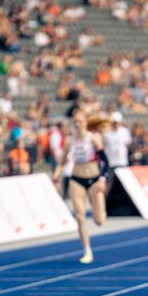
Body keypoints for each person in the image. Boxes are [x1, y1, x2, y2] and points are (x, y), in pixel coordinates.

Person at [53, 113, 109, 264]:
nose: (77, 124)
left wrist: (103, 179)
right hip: (76, 179)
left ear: (85, 123)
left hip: (94, 180)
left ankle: (101, 210)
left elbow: (104, 160)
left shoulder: (93, 139)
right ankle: (87, 250)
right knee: (80, 216)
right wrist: (57, 174)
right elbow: (62, 161)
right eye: (75, 121)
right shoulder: (70, 141)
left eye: (80, 121)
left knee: (99, 220)